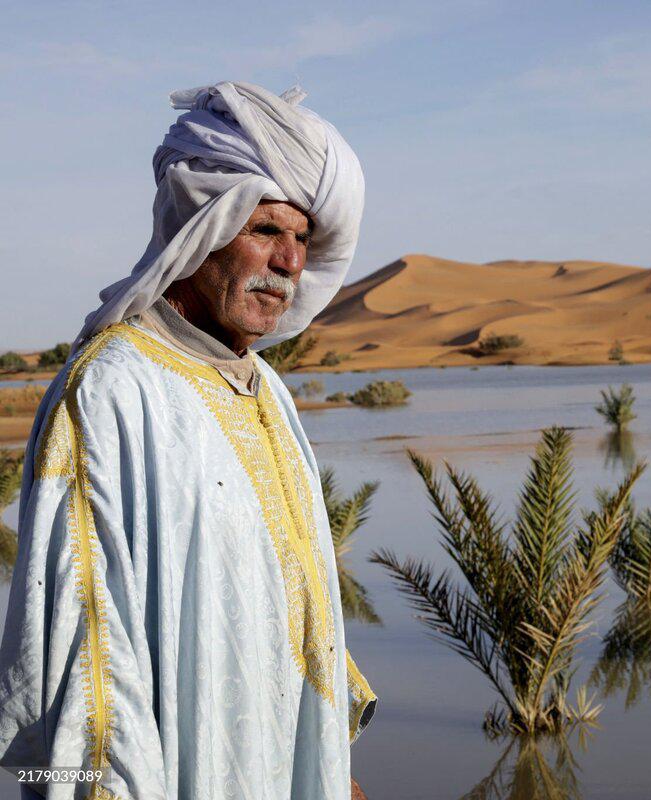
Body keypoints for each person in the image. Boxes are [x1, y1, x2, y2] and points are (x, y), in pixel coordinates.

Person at [0, 81, 374, 800]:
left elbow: (297, 603)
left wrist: (328, 761)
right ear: (201, 230)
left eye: (302, 238)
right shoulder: (113, 391)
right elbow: (87, 656)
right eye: (266, 231)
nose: (292, 263)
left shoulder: (267, 389)